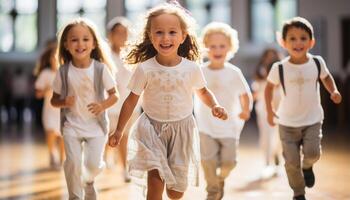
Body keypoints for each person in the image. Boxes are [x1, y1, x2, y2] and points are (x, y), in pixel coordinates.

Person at [108, 3, 228, 200]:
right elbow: (130, 101)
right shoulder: (145, 69)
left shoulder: (191, 68)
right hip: (151, 130)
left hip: (182, 130)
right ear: (150, 36)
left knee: (175, 193)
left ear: (183, 36)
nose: (165, 38)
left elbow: (203, 91)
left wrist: (214, 105)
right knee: (155, 181)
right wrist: (120, 130)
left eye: (172, 32)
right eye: (159, 32)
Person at [265, 17, 342, 200]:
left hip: (312, 120)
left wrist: (334, 91)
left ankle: (308, 166)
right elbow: (268, 88)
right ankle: (298, 193)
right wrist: (269, 111)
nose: (298, 42)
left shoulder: (317, 62)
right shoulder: (279, 67)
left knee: (313, 153)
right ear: (283, 43)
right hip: (287, 123)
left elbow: (327, 77)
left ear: (311, 42)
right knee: (291, 163)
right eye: (292, 38)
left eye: (303, 38)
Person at [51, 18, 118, 200]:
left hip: (96, 126)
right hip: (71, 125)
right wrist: (64, 102)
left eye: (85, 39)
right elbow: (53, 100)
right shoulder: (63, 72)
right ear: (66, 45)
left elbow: (115, 95)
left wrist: (102, 105)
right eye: (74, 39)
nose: (80, 44)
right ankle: (75, 197)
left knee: (93, 165)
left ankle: (89, 181)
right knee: (72, 163)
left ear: (94, 43)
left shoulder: (100, 69)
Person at [194, 22, 252, 200]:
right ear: (205, 48)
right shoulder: (199, 71)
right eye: (212, 46)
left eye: (222, 46)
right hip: (205, 126)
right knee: (208, 161)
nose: (217, 50)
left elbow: (245, 94)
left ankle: (220, 180)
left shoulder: (234, 72)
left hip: (230, 126)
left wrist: (246, 110)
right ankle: (212, 191)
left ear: (230, 48)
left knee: (229, 162)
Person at [105, 17, 140, 183]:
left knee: (125, 137)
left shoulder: (133, 56)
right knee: (109, 136)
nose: (121, 36)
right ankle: (107, 157)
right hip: (111, 104)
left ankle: (124, 168)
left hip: (130, 103)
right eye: (117, 32)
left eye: (124, 33)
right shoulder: (105, 55)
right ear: (110, 35)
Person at [251, 48, 283, 178]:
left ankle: (276, 157)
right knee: (266, 135)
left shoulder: (281, 71)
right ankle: (267, 162)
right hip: (263, 107)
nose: (269, 58)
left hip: (279, 107)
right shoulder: (260, 71)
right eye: (267, 56)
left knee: (279, 135)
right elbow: (256, 92)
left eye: (272, 56)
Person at [34, 39, 65, 170]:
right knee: (51, 132)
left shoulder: (65, 72)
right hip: (49, 109)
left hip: (62, 110)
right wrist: (46, 90)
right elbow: (38, 94)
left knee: (63, 135)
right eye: (53, 57)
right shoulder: (45, 74)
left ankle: (62, 159)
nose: (55, 59)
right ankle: (52, 154)